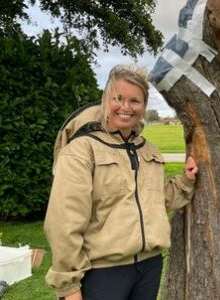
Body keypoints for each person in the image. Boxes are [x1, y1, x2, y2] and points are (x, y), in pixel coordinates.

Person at [44, 65, 198, 300]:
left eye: (134, 101)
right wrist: (69, 286)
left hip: (149, 267)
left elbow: (156, 200)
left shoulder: (149, 150)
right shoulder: (82, 150)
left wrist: (186, 181)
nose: (125, 107)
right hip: (103, 273)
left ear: (144, 107)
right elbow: (64, 221)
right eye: (118, 98)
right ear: (106, 100)